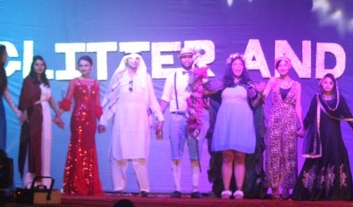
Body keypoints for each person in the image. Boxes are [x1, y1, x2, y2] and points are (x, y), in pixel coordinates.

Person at [99, 53, 164, 196]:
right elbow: (109, 98)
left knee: (140, 155)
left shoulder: (145, 77)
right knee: (118, 154)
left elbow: (151, 99)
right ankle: (118, 188)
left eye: (137, 58)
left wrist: (160, 116)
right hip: (121, 120)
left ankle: (144, 189)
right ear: (125, 59)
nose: (135, 61)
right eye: (132, 57)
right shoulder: (118, 77)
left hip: (140, 121)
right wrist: (103, 120)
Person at [292, 73, 353, 201]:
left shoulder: (338, 100)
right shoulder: (316, 98)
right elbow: (310, 115)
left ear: (334, 85)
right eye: (325, 82)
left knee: (335, 158)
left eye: (330, 83)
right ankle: (313, 192)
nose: (327, 85)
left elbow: (347, 113)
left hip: (334, 137)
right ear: (321, 83)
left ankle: (335, 193)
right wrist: (302, 128)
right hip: (319, 137)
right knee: (316, 160)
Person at [211, 53, 262, 199]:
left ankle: (239, 189)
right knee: (227, 156)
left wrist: (260, 94)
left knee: (240, 156)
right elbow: (208, 93)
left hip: (242, 121)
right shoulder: (222, 84)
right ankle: (226, 190)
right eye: (235, 64)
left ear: (244, 67)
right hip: (226, 121)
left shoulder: (248, 84)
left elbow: (254, 103)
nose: (237, 67)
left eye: (240, 64)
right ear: (230, 67)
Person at [159, 46, 206, 198]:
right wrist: (159, 117)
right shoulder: (172, 75)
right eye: (184, 57)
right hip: (177, 118)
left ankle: (195, 189)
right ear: (180, 59)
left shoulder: (200, 74)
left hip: (194, 118)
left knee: (195, 154)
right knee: (175, 154)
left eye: (189, 56)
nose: (187, 59)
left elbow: (206, 95)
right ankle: (177, 189)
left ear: (193, 58)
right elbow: (165, 98)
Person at [59, 55, 103, 196]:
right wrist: (58, 114)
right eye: (81, 65)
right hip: (78, 119)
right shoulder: (75, 82)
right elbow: (67, 100)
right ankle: (76, 185)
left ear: (91, 67)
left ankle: (89, 185)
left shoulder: (96, 83)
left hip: (91, 121)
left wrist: (101, 121)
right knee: (78, 148)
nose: (83, 68)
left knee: (89, 149)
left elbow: (97, 104)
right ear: (78, 67)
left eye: (86, 65)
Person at [261, 55, 304, 200]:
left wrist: (302, 126)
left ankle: (287, 187)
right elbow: (263, 97)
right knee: (274, 152)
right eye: (280, 65)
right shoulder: (273, 81)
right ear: (277, 68)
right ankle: (274, 188)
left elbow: (298, 106)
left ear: (289, 66)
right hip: (275, 119)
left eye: (285, 65)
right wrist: (260, 91)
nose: (283, 67)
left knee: (289, 152)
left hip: (290, 120)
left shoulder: (296, 85)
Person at [18, 55, 63, 188]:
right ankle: (31, 181)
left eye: (42, 65)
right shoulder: (28, 80)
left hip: (46, 113)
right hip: (34, 114)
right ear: (33, 66)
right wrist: (25, 114)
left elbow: (50, 98)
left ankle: (44, 180)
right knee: (34, 144)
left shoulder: (45, 80)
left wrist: (57, 113)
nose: (39, 67)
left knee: (45, 143)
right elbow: (25, 100)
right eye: (37, 64)